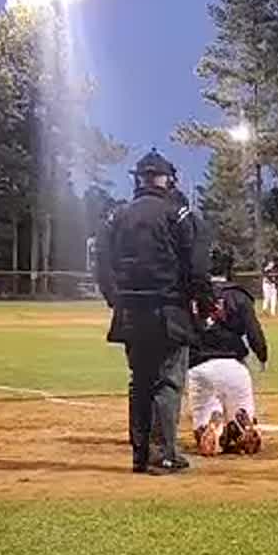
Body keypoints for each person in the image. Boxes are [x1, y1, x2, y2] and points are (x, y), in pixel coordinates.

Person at [95, 150, 215, 475]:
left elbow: (101, 264)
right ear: (167, 179)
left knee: (140, 383)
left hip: (130, 313)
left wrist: (114, 299)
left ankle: (140, 455)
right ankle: (163, 454)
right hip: (168, 310)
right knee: (167, 382)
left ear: (138, 179)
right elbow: (198, 268)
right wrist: (204, 306)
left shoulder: (116, 216)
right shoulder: (180, 215)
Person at [189, 249, 270, 456]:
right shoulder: (239, 296)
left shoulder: (190, 296)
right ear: (229, 269)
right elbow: (254, 332)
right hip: (234, 367)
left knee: (203, 418)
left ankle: (210, 426)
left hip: (198, 368)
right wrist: (262, 355)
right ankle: (242, 425)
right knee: (241, 411)